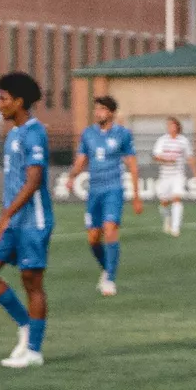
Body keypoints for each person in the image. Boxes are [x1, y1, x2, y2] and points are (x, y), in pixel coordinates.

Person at [0, 72, 53, 368]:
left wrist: (5, 216)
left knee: (31, 282)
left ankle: (34, 350)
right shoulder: (12, 135)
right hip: (11, 221)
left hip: (33, 220)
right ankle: (25, 324)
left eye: (4, 99)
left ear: (19, 102)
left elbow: (33, 181)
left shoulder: (35, 133)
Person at [66, 96, 140, 296]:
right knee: (93, 238)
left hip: (113, 189)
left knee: (110, 230)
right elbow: (81, 160)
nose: (97, 112)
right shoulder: (88, 134)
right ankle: (107, 269)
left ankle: (110, 280)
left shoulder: (122, 134)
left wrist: (136, 196)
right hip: (94, 191)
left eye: (101, 109)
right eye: (96, 109)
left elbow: (132, 164)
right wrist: (72, 176)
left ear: (111, 113)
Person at [152, 118, 196, 237]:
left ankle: (175, 227)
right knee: (163, 201)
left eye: (172, 125)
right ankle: (167, 218)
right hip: (164, 175)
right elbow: (156, 157)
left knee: (177, 198)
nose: (170, 128)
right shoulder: (162, 140)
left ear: (177, 127)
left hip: (178, 175)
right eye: (168, 125)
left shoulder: (183, 141)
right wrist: (167, 160)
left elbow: (190, 158)